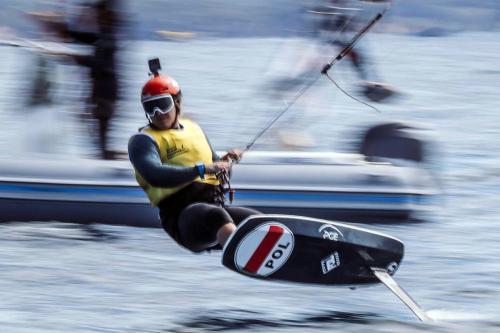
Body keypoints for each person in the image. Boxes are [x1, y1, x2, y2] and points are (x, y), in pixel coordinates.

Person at [128, 63, 260, 252]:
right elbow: (154, 175)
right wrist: (202, 169)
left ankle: (308, 257)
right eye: (150, 108)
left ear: (177, 103)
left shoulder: (194, 129)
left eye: (163, 105)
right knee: (216, 216)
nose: (158, 113)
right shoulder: (142, 141)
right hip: (183, 218)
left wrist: (225, 163)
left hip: (214, 207)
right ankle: (245, 257)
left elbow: (218, 173)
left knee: (260, 222)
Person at [31, 0, 122, 159]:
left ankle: (107, 162)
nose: (95, 18)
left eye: (98, 15)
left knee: (100, 135)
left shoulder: (108, 38)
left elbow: (100, 63)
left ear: (106, 16)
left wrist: (70, 55)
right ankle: (105, 158)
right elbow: (80, 37)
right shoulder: (102, 35)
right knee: (98, 136)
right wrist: (63, 28)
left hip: (105, 95)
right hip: (101, 92)